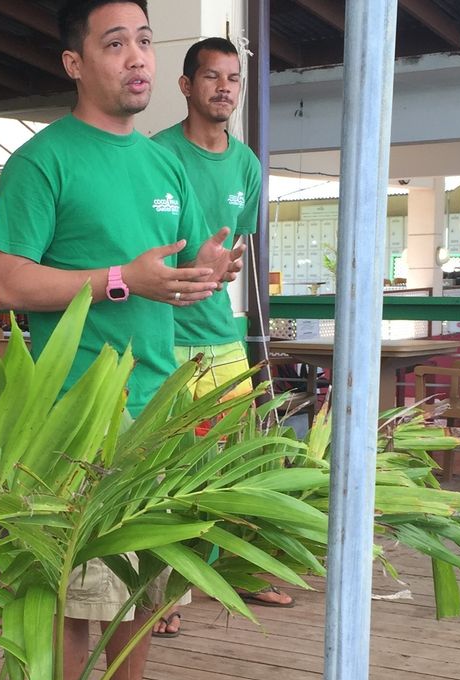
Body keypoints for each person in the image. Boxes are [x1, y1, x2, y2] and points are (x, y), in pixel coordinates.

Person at [0, 0, 242, 680]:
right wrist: (121, 280)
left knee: (142, 586)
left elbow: (173, 269)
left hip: (157, 405)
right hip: (76, 415)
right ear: (75, 63)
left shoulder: (164, 164)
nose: (137, 58)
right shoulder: (43, 161)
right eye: (115, 44)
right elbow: (6, 283)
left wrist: (207, 271)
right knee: (78, 594)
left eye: (145, 42)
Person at [152, 37, 294, 628]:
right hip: (160, 337)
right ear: (186, 85)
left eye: (233, 78)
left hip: (221, 337)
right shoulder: (155, 154)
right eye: (212, 76)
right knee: (162, 469)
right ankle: (162, 596)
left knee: (235, 462)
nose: (225, 88)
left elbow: (233, 250)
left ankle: (235, 572)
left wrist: (223, 268)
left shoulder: (247, 166)